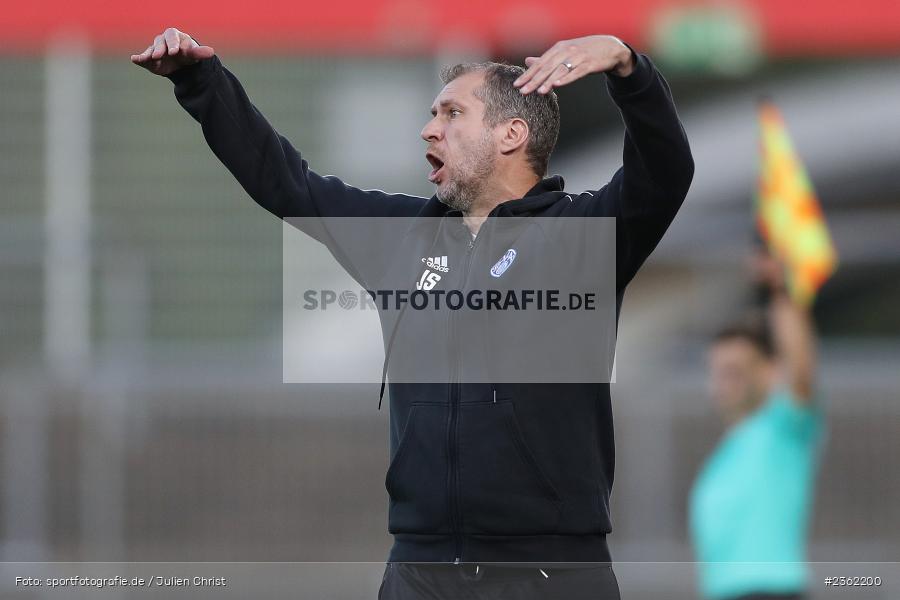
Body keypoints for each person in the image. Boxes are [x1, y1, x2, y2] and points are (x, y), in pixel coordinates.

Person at [133, 28, 694, 598]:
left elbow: (666, 173)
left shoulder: (583, 236)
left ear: (511, 134)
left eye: (452, 113)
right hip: (419, 571)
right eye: (433, 114)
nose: (430, 128)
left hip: (550, 573)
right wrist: (200, 80)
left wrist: (629, 70)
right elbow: (284, 181)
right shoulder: (402, 236)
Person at [690, 253, 826, 600]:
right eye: (717, 371)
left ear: (769, 371)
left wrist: (782, 290)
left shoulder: (781, 430)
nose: (722, 382)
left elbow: (800, 371)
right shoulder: (726, 452)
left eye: (735, 371)